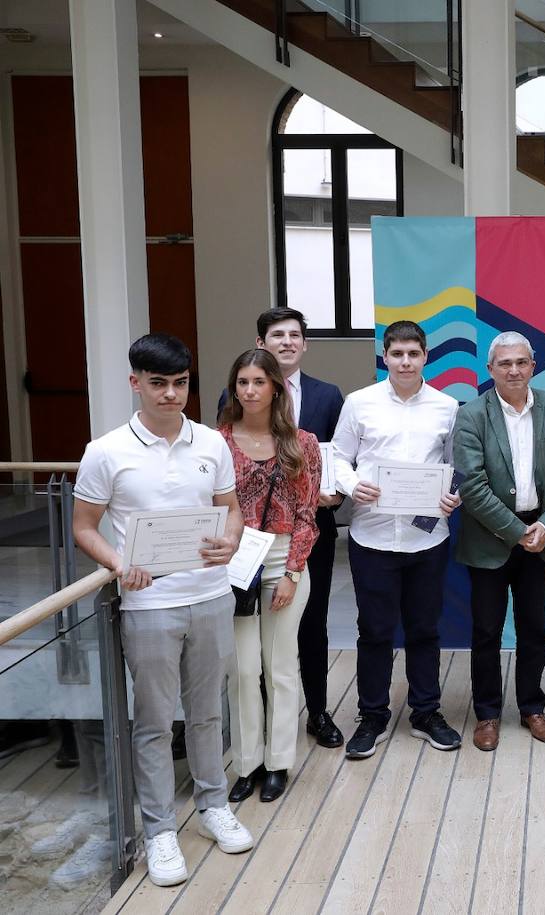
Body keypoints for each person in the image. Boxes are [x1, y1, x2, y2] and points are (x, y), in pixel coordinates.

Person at [72, 334, 252, 887]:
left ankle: (214, 805)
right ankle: (159, 831)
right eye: (158, 384)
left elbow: (232, 513)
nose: (171, 395)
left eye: (179, 383)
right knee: (152, 721)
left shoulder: (212, 444)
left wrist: (230, 540)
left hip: (211, 594)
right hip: (148, 603)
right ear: (135, 384)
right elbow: (83, 527)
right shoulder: (106, 451)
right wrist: (119, 562)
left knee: (207, 712)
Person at [332, 320, 463, 760]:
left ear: (426, 356)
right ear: (384, 357)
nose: (405, 361)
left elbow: (453, 466)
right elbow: (337, 456)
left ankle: (426, 712)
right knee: (374, 632)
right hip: (371, 535)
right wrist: (352, 486)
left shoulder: (447, 407)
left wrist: (452, 496)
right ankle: (372, 715)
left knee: (425, 629)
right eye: (397, 354)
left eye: (414, 353)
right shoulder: (360, 403)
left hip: (427, 539)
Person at [218, 307, 345, 748]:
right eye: (277, 334)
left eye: (295, 335)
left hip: (308, 534)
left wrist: (336, 493)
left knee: (311, 624)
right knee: (248, 650)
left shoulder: (328, 395)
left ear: (304, 344)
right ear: (261, 344)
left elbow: (339, 459)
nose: (287, 342)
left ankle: (319, 712)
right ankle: (261, 728)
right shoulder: (236, 401)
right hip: (246, 544)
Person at [453, 332, 545, 750]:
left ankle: (531, 707)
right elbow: (472, 486)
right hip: (490, 538)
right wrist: (517, 531)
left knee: (534, 628)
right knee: (486, 630)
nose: (513, 370)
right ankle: (487, 714)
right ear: (490, 370)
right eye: (504, 363)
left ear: (533, 365)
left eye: (521, 362)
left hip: (540, 535)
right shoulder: (471, 415)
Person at [219, 349, 322, 803]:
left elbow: (307, 516)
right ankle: (247, 764)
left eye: (259, 382)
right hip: (234, 562)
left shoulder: (302, 443)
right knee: (242, 670)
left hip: (284, 559)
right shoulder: (215, 442)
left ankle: (278, 763)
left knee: (279, 667)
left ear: (275, 387)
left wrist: (293, 572)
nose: (250, 390)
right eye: (242, 382)